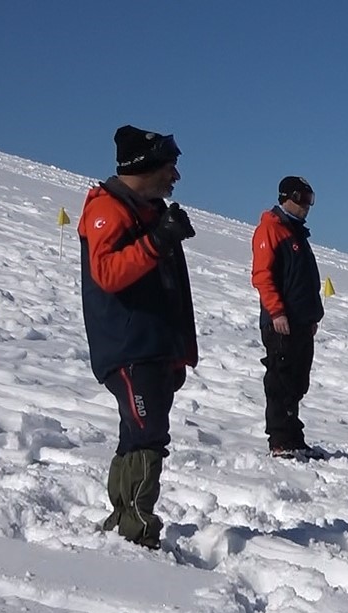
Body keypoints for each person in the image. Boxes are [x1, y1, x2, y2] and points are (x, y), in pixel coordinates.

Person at [79, 125, 198, 550]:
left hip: (152, 347)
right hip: (129, 348)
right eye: (170, 167)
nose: (175, 177)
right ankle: (137, 532)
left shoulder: (147, 211)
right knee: (148, 435)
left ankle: (123, 522)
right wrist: (159, 240)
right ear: (143, 166)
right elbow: (108, 273)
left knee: (136, 435)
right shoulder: (108, 209)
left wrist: (178, 352)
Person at [252, 176, 326, 457]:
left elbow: (303, 281)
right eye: (303, 199)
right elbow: (262, 276)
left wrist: (311, 317)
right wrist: (277, 312)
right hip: (281, 322)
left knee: (297, 381)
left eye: (311, 199)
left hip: (301, 322)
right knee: (281, 380)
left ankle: (294, 438)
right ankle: (281, 441)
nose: (307, 206)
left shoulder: (295, 233)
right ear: (287, 197)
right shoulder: (271, 229)